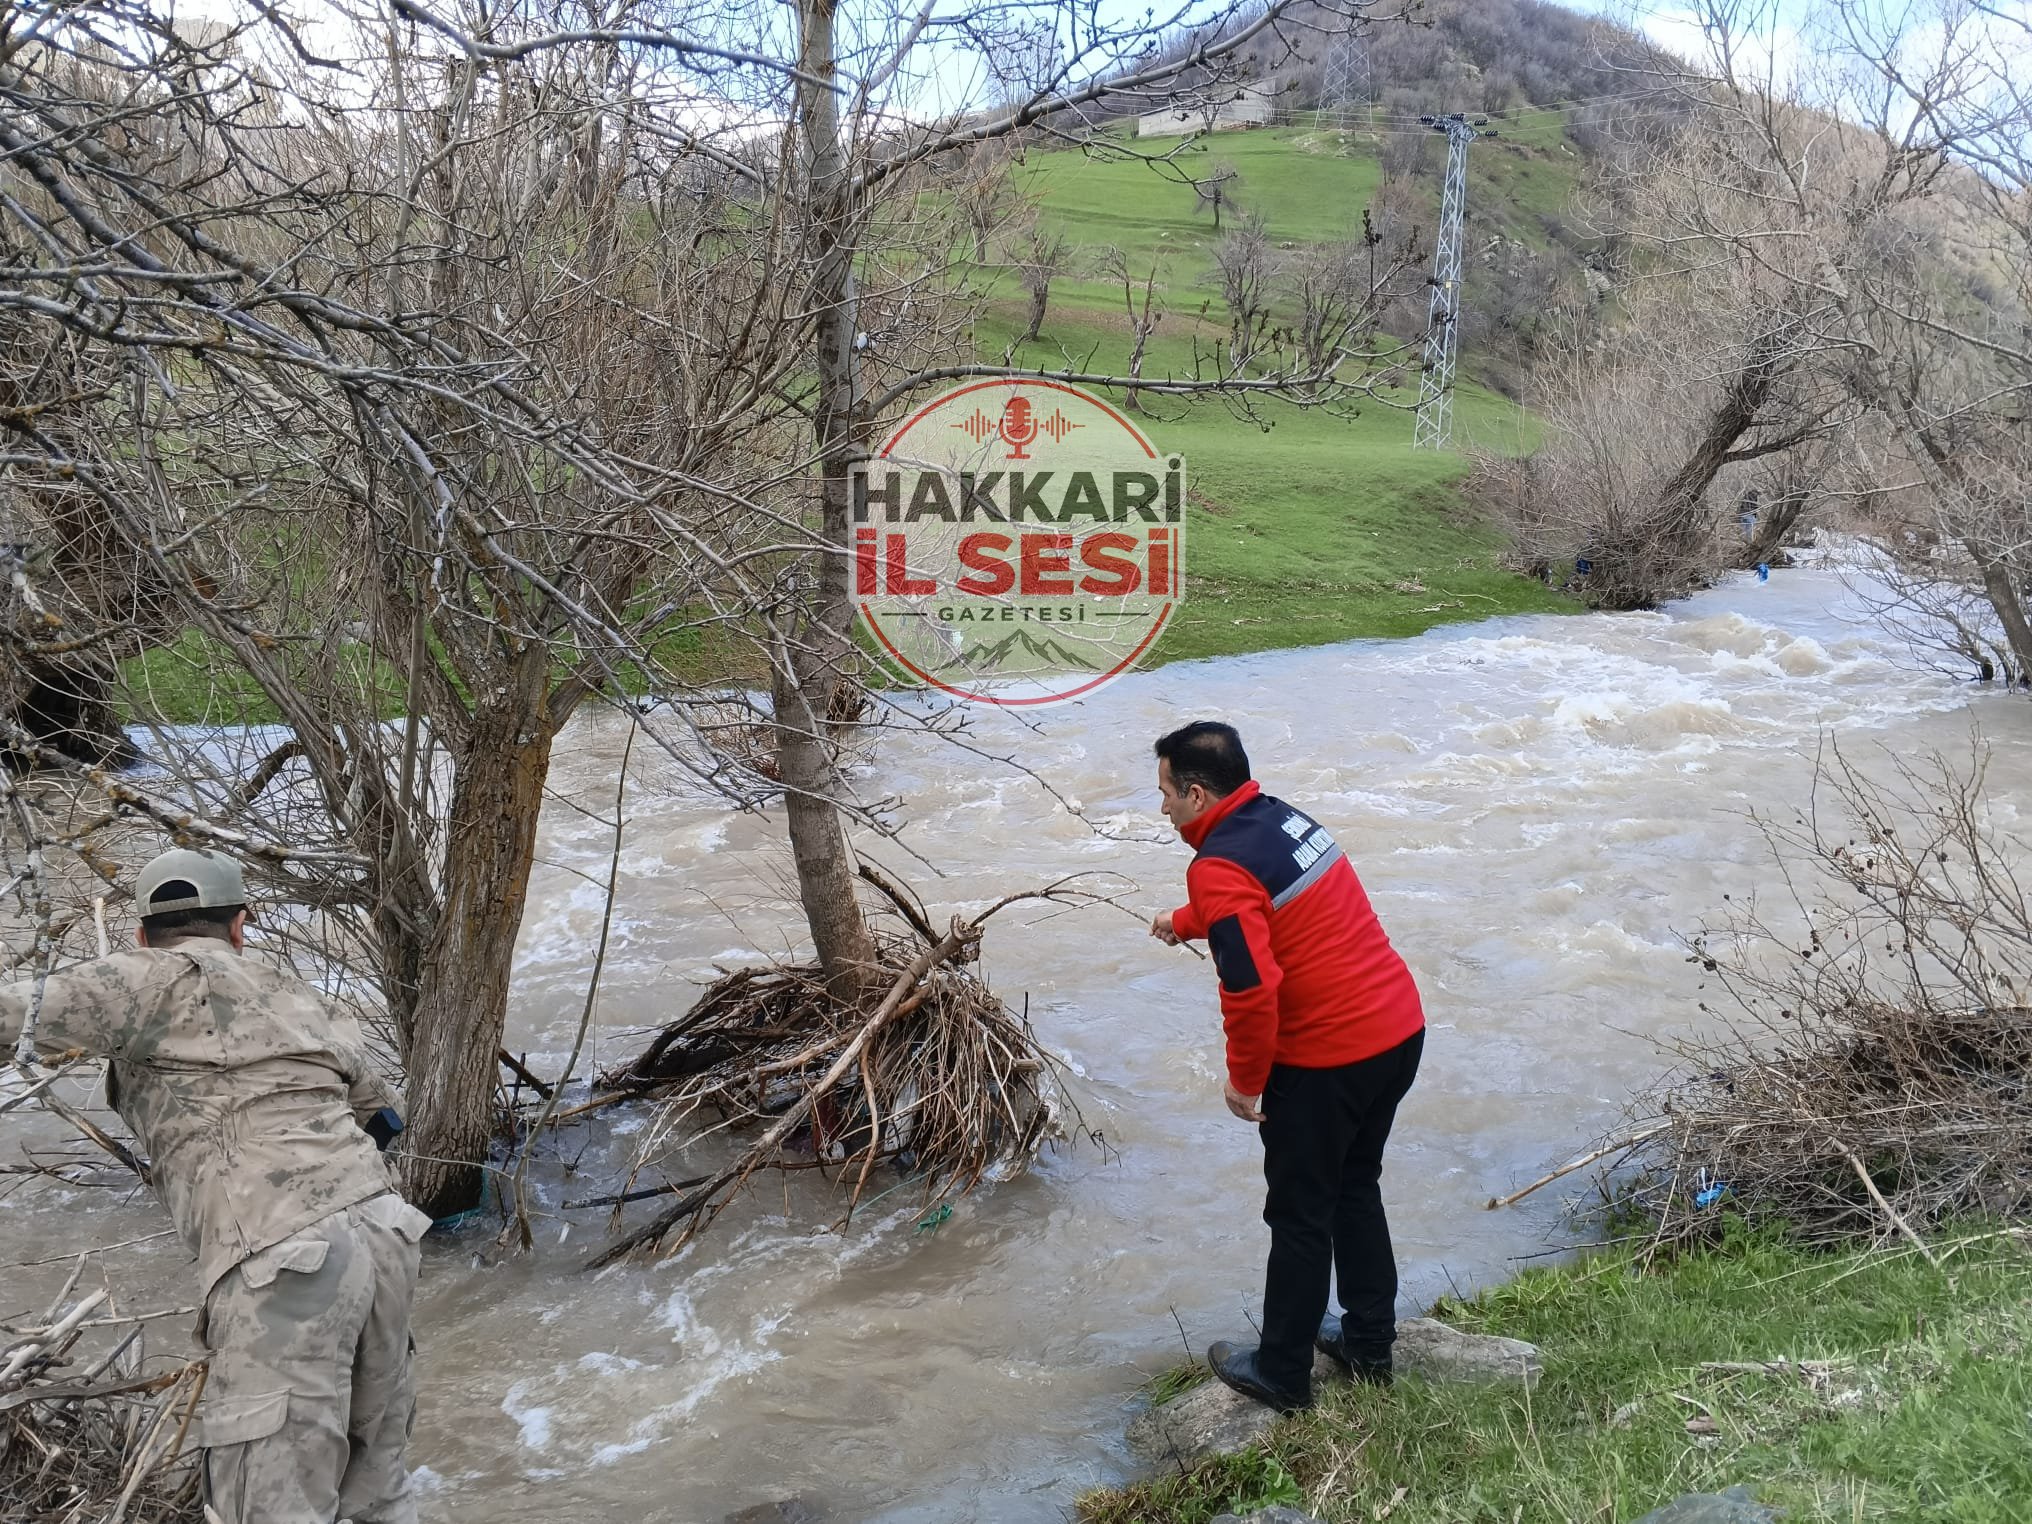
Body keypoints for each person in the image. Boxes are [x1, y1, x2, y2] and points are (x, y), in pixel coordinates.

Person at [0, 848, 431, 1523]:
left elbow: (9, 1018)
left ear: (142, 934)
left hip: (281, 1255)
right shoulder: (293, 992)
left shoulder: (136, 978)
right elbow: (382, 1118)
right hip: (385, 1231)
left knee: (266, 1505)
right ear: (241, 925)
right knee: (378, 1493)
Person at [1148, 721, 1425, 1412]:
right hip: (1397, 1031)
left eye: (1165, 795)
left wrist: (1245, 1081)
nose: (1162, 809)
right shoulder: (1282, 819)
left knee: (1300, 1214)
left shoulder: (1217, 865)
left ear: (1197, 791)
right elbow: (1261, 905)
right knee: (1355, 1187)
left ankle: (1282, 1373)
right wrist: (1186, 920)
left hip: (1328, 1059)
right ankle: (1367, 1341)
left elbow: (1250, 987)